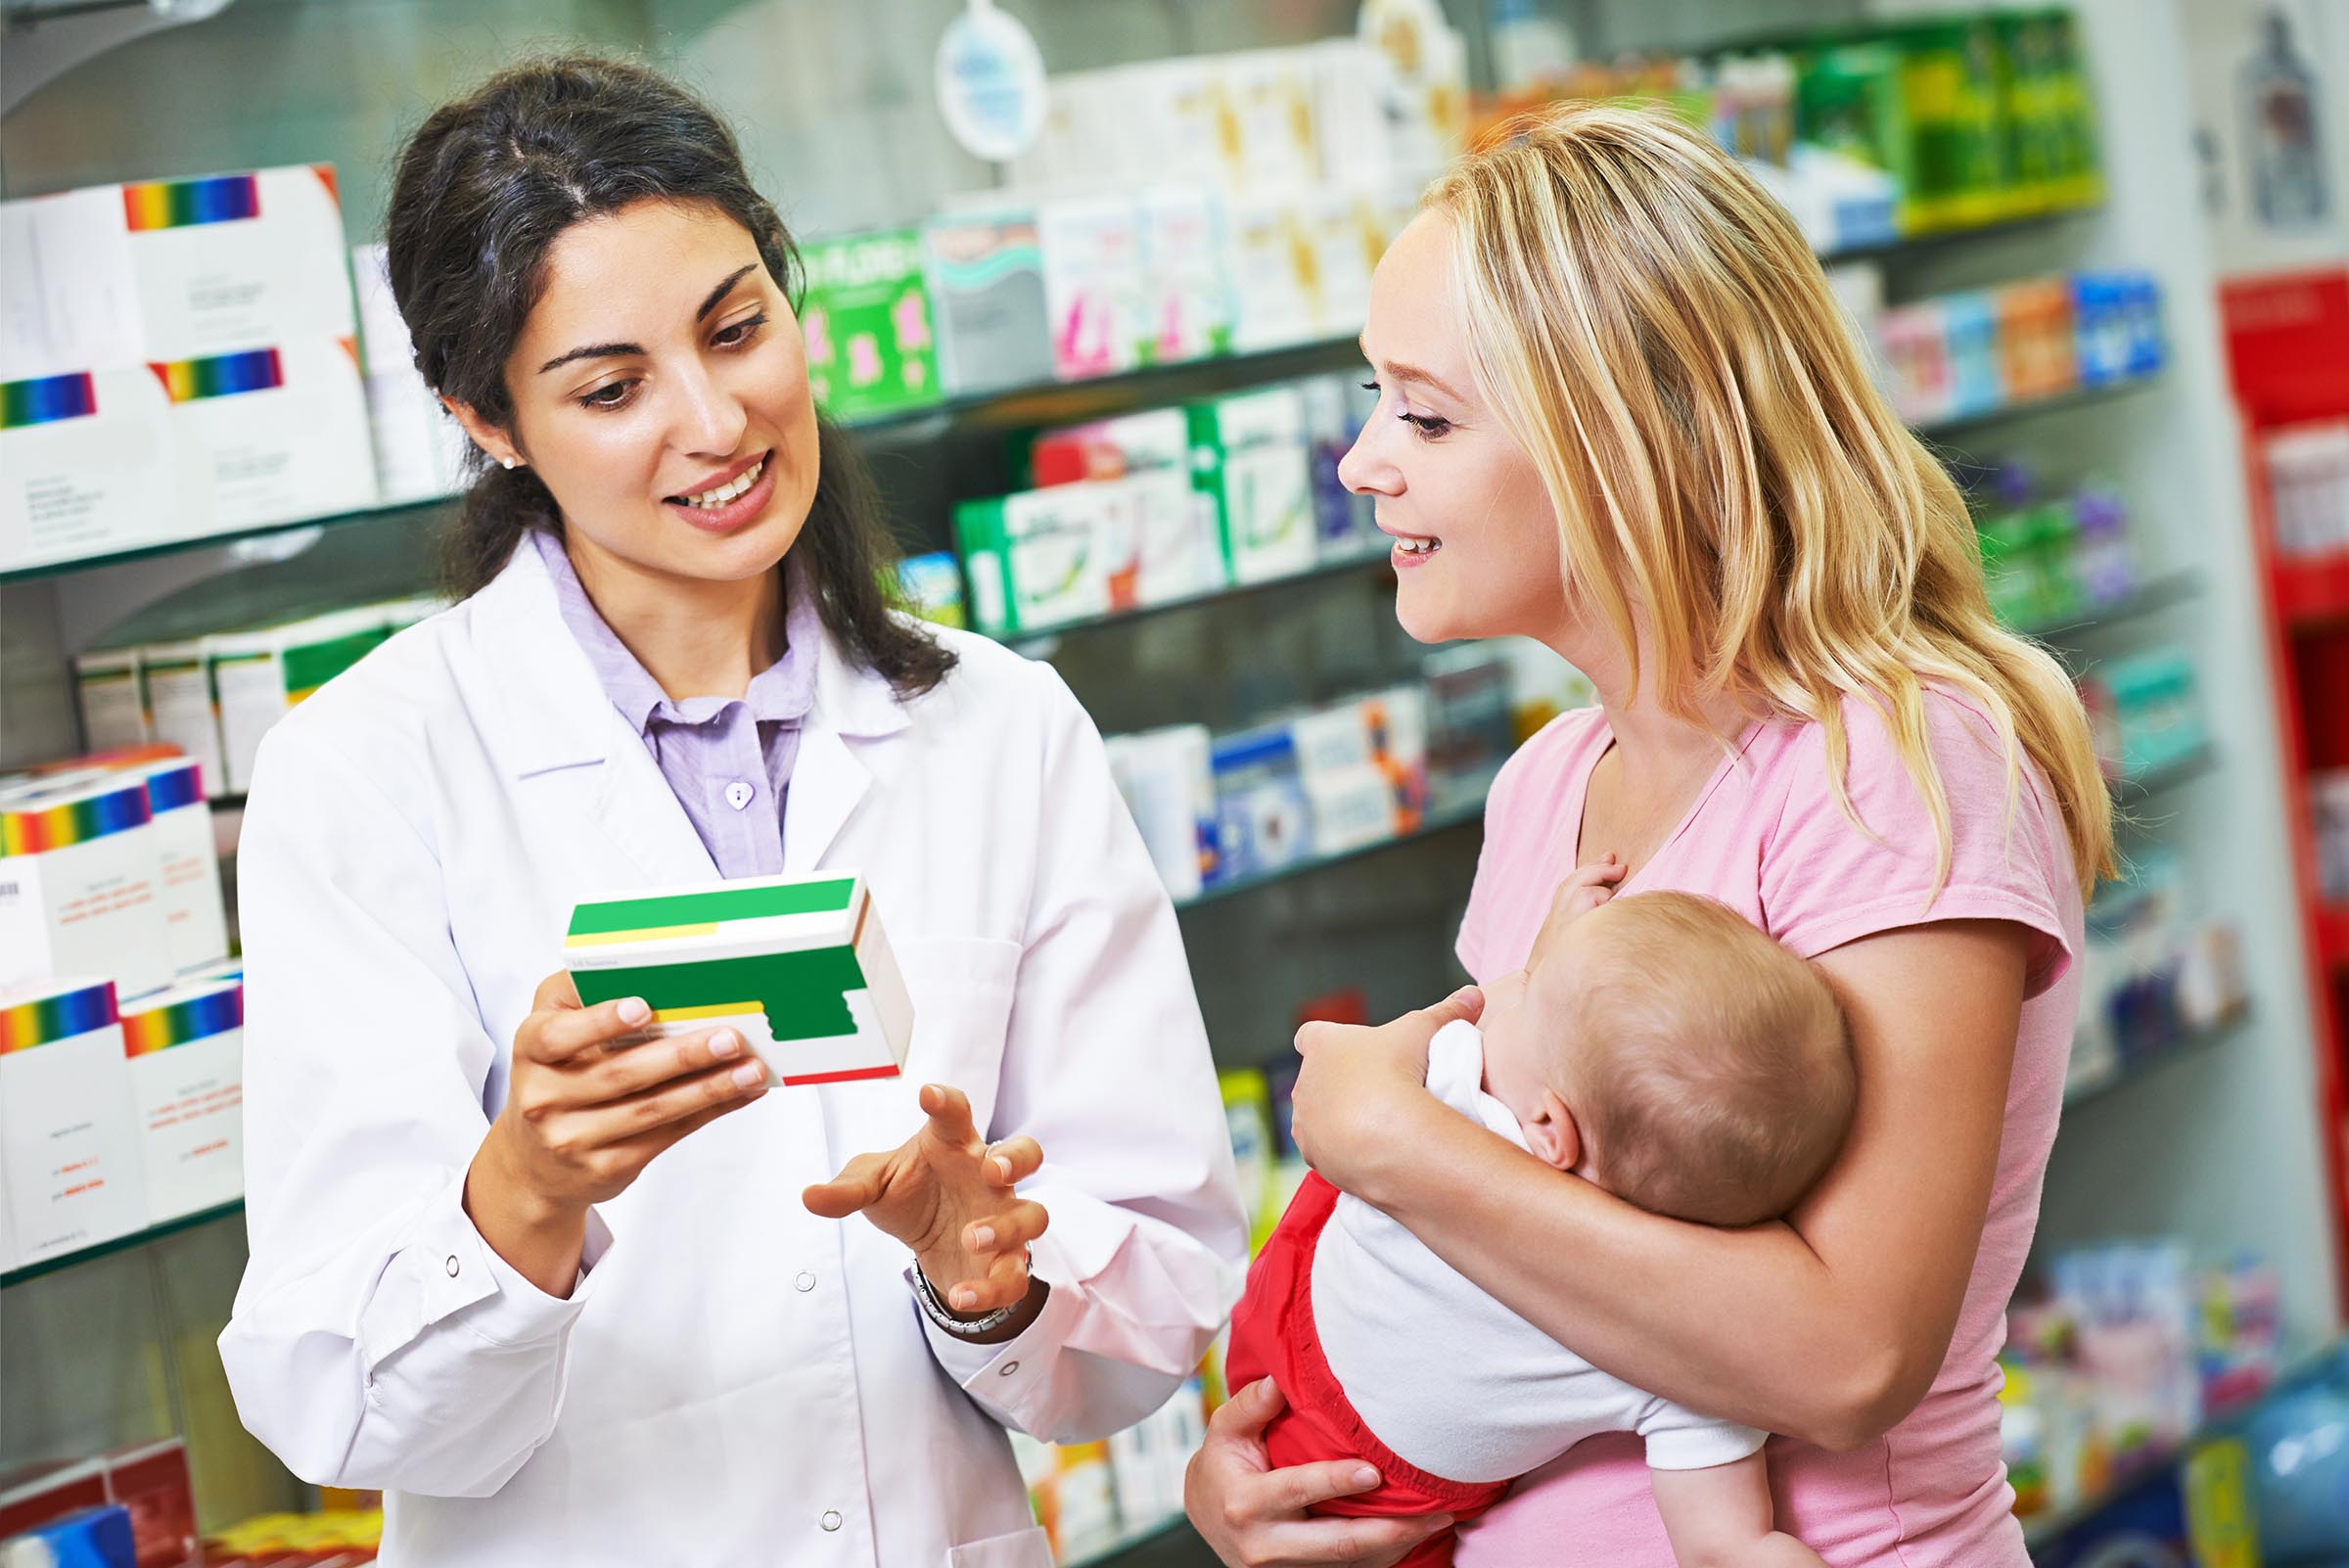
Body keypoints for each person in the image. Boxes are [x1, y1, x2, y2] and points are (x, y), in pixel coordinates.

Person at [218, 55, 1246, 1567]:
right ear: (485, 418)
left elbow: (1159, 1300)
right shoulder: (367, 768)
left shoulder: (997, 726)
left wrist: (996, 1274)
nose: (717, 420)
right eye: (613, 387)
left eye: (738, 326)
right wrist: (523, 1190)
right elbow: (337, 1401)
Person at [1186, 101, 2107, 1568]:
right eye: (1376, 402)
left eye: (1423, 414)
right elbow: (1519, 1265)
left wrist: (1384, 1135)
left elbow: (1847, 1356)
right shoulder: (1550, 786)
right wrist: (1311, 1456)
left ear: (1623, 440)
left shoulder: (1898, 758)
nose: (1365, 463)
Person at [1225, 874, 1853, 1568]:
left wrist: (1541, 965)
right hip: (1390, 1485)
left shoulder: (1459, 1080)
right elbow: (1721, 1541)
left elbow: (1349, 1068)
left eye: (1530, 987)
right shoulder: (1683, 1356)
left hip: (1311, 1365)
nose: (1511, 985)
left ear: (1552, 1126)